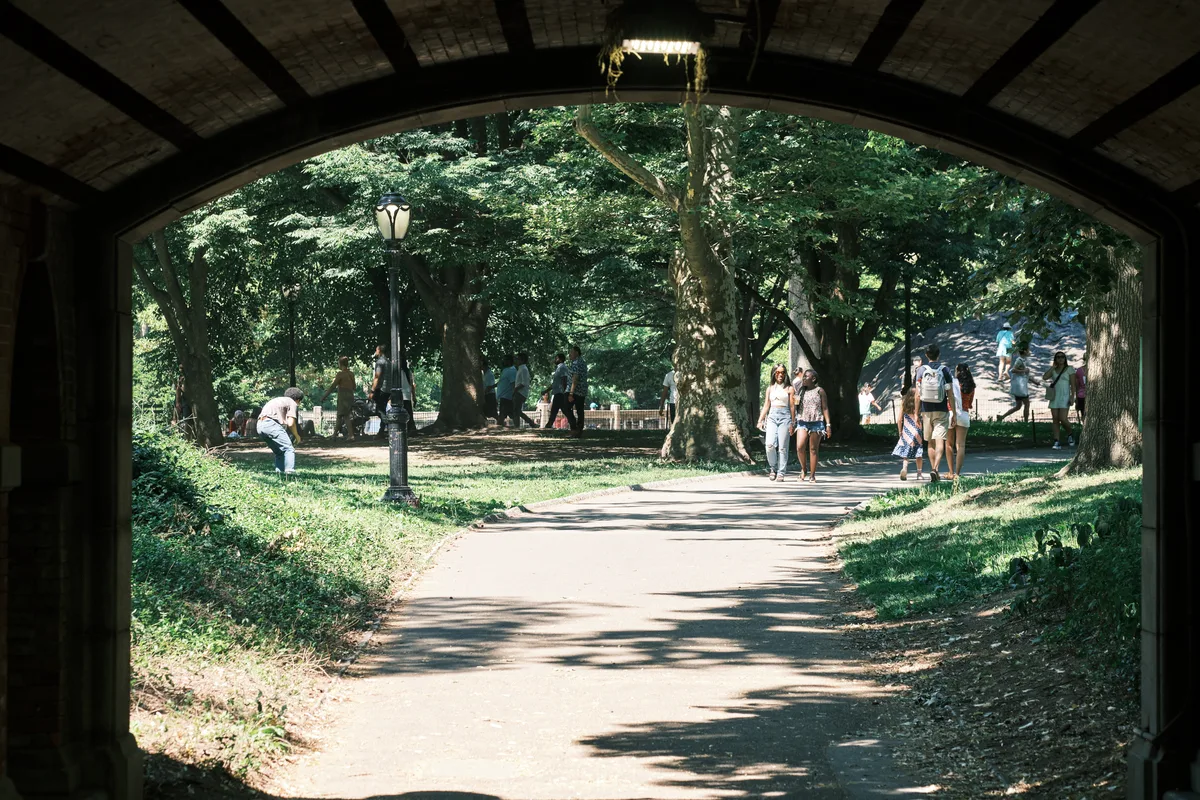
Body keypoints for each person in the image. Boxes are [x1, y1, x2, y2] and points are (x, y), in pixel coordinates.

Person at [914, 343, 956, 482]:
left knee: (930, 443)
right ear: (939, 355)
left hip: (926, 411)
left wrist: (916, 413)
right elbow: (950, 394)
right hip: (941, 409)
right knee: (940, 442)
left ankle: (934, 470)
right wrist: (954, 413)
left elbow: (917, 395)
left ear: (926, 355)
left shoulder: (920, 371)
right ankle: (935, 469)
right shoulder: (945, 370)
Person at [756, 364, 796, 482]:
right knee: (769, 445)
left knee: (783, 447)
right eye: (778, 372)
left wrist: (793, 422)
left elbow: (793, 406)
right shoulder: (770, 388)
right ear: (774, 373)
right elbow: (766, 405)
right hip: (772, 416)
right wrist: (760, 420)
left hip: (785, 416)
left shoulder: (789, 388)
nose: (780, 374)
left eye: (783, 372)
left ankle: (781, 472)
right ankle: (773, 468)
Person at [794, 368, 832, 482]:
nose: (804, 378)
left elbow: (825, 408)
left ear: (813, 379)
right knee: (800, 447)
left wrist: (828, 424)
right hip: (802, 421)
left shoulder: (820, 391)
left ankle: (812, 475)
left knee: (813, 449)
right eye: (804, 376)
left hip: (816, 422)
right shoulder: (801, 390)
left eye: (806, 377)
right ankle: (804, 469)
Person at [258, 388, 304, 476]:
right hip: (271, 424)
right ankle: (290, 472)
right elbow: (291, 423)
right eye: (300, 402)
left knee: (279, 451)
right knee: (289, 448)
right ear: (298, 400)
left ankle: (279, 473)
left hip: (260, 425)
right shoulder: (292, 403)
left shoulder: (278, 400)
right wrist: (297, 436)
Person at [1043, 350, 1078, 450]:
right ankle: (1056, 441)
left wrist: (1072, 397)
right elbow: (1045, 377)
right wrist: (1052, 367)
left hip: (1065, 396)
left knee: (1063, 418)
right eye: (1058, 357)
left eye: (1062, 357)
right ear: (1055, 359)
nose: (1060, 358)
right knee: (1055, 419)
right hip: (1055, 396)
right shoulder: (1054, 370)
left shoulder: (1069, 369)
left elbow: (1073, 385)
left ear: (1065, 358)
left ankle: (1070, 433)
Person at [946, 364, 974, 478]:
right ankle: (957, 473)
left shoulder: (953, 383)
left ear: (957, 371)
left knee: (948, 444)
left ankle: (950, 472)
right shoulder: (971, 385)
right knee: (960, 445)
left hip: (951, 412)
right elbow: (970, 403)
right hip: (964, 413)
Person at [319, 356, 357, 441]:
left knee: (342, 415)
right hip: (350, 395)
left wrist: (324, 396)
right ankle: (337, 435)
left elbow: (333, 386)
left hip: (343, 396)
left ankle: (347, 435)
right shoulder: (351, 374)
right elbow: (354, 387)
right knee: (343, 415)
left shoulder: (340, 374)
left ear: (340, 364)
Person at [892, 387, 924, 481]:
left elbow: (899, 419)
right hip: (917, 429)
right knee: (918, 453)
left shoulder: (904, 403)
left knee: (906, 453)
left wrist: (900, 431)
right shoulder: (919, 404)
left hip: (906, 431)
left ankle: (905, 468)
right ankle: (919, 474)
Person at [998, 344, 1034, 423]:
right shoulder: (1019, 360)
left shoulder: (1022, 360)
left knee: (1018, 406)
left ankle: (1002, 417)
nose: (1029, 351)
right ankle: (1026, 422)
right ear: (1025, 351)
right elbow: (1013, 370)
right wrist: (1024, 371)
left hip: (1019, 387)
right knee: (1027, 404)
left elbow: (1024, 374)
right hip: (1020, 387)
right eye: (1028, 350)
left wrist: (1034, 382)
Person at [565, 345, 589, 438]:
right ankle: (579, 430)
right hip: (582, 390)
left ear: (576, 353)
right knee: (580, 410)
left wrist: (571, 393)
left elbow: (575, 378)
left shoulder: (576, 363)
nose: (569, 354)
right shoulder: (583, 362)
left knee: (566, 407)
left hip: (575, 390)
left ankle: (574, 428)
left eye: (571, 352)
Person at [541, 352, 570, 429]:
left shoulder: (562, 368)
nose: (555, 360)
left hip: (560, 393)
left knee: (559, 410)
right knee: (558, 410)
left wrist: (565, 392)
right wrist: (546, 390)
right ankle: (549, 425)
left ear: (560, 359)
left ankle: (549, 425)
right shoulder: (558, 368)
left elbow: (564, 379)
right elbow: (555, 384)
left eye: (556, 358)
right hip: (557, 392)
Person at [513, 352, 536, 428]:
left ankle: (518, 426)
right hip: (518, 392)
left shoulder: (523, 369)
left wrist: (515, 389)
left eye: (517, 359)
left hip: (520, 393)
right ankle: (530, 423)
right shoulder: (520, 369)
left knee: (516, 411)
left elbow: (524, 383)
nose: (516, 360)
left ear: (522, 360)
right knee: (517, 411)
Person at [496, 354, 517, 427]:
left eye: (505, 360)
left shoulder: (512, 370)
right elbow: (502, 382)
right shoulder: (505, 370)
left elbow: (513, 383)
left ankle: (498, 427)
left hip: (507, 396)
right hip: (503, 396)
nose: (503, 361)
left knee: (503, 414)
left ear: (509, 361)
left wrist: (514, 394)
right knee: (509, 414)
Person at [481, 358, 498, 422]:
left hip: (490, 395)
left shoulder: (489, 374)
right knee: (487, 411)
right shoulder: (484, 374)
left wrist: (483, 394)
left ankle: (502, 423)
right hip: (487, 394)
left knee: (493, 413)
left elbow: (489, 387)